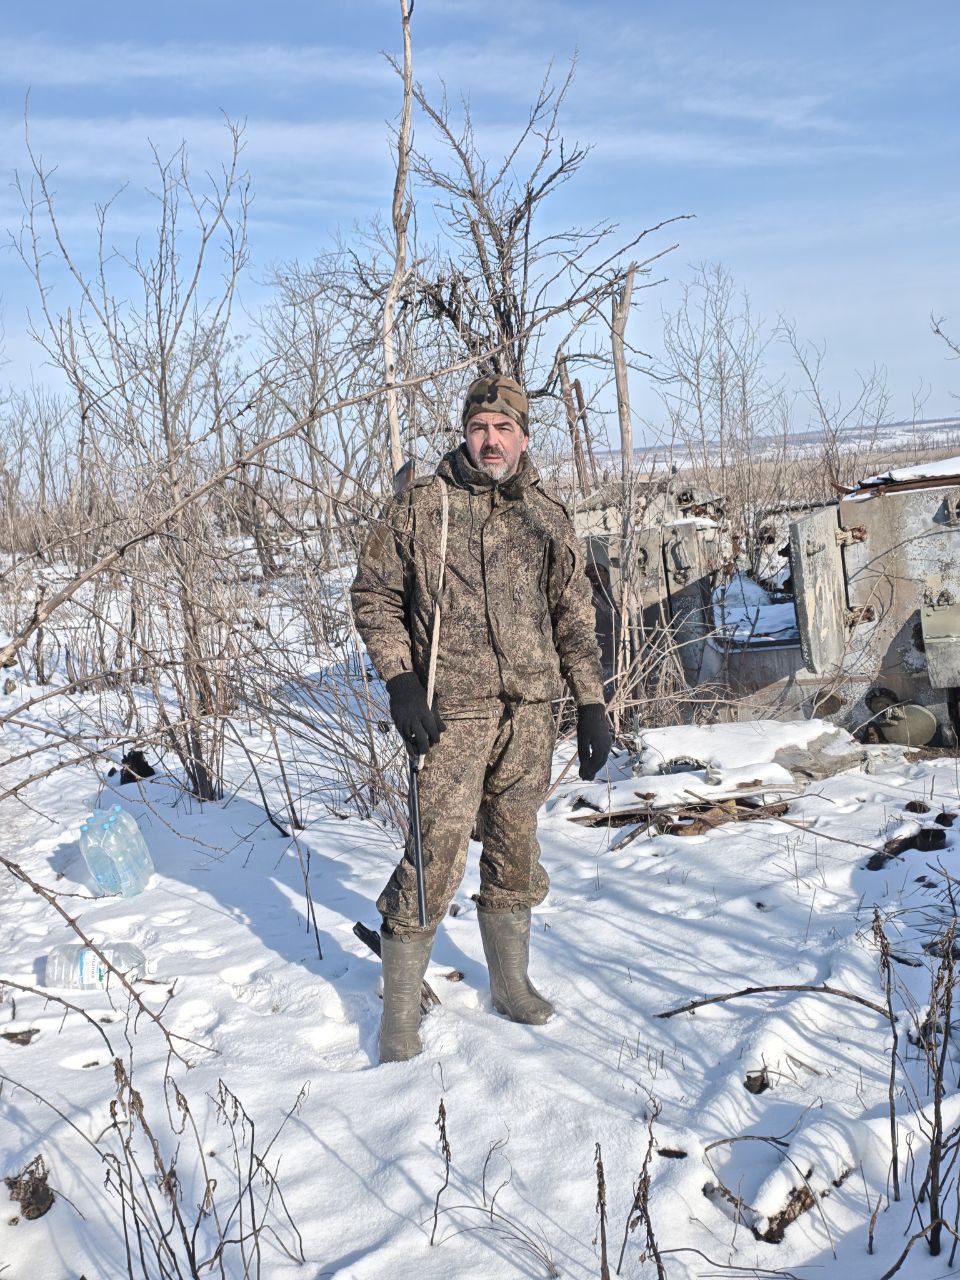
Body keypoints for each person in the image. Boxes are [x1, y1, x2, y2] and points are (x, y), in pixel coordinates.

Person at [351, 374, 613, 1063]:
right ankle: (399, 1013)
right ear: (464, 434)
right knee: (434, 853)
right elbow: (374, 596)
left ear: (523, 436)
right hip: (452, 715)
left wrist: (590, 702)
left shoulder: (546, 515)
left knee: (515, 845)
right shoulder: (421, 507)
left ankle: (511, 984)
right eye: (479, 428)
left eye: (503, 428)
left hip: (529, 712)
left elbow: (573, 615)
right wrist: (402, 683)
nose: (490, 440)